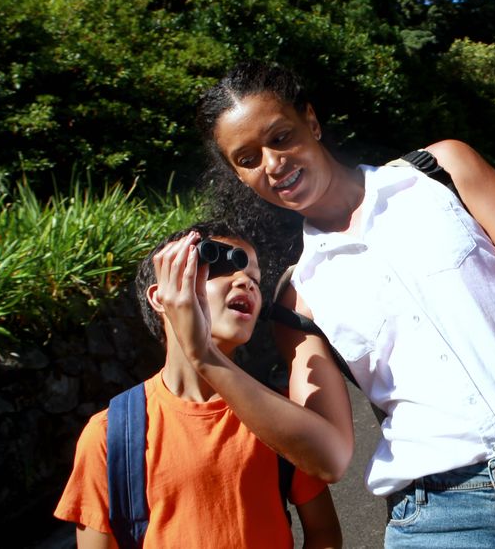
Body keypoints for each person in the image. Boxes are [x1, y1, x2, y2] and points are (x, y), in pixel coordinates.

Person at [176, 60, 495, 547]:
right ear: (238, 175)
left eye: (281, 137)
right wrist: (206, 358)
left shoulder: (441, 172)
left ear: (311, 121)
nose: (272, 162)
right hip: (437, 519)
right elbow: (328, 456)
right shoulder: (297, 297)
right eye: (247, 158)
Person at [54, 222, 343, 548]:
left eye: (255, 278)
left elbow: (324, 533)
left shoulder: (277, 418)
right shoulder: (111, 435)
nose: (245, 281)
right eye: (220, 264)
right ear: (161, 295)